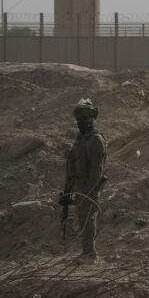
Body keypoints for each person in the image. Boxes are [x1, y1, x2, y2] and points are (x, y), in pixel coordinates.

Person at [61, 99, 107, 262]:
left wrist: (88, 192)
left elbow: (97, 171)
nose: (81, 123)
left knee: (88, 220)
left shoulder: (95, 140)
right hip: (78, 185)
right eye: (79, 120)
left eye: (85, 119)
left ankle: (90, 254)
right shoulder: (81, 138)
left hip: (89, 188)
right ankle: (86, 252)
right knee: (82, 219)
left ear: (92, 119)